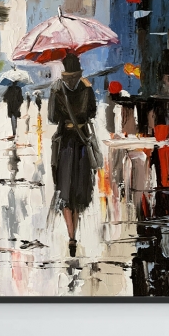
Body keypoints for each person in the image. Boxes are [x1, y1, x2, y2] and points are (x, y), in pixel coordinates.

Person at [48, 52, 98, 257]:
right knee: (79, 190)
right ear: (79, 72)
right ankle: (73, 232)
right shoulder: (87, 88)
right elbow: (92, 112)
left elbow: (52, 118)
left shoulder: (57, 89)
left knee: (65, 189)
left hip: (65, 144)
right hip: (83, 142)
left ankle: (71, 235)